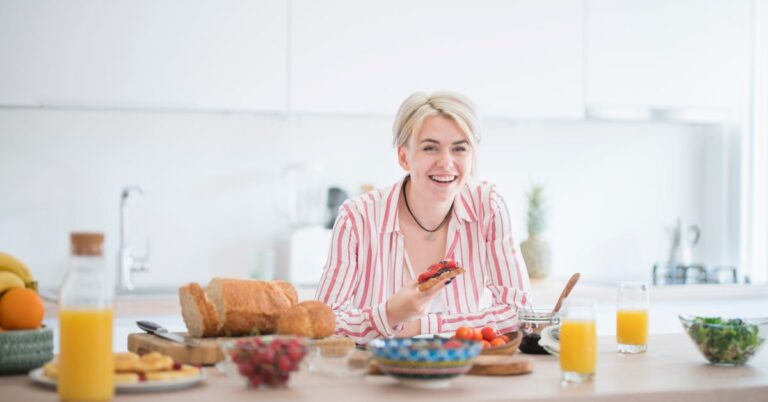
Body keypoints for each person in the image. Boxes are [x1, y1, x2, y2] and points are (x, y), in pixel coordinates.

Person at [314, 91, 531, 343]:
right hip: (377, 374)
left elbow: (519, 312)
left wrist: (420, 326)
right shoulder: (357, 219)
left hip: (466, 373)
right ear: (404, 156)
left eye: (459, 148)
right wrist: (389, 314)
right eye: (430, 148)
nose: (446, 162)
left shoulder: (488, 207)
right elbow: (323, 321)